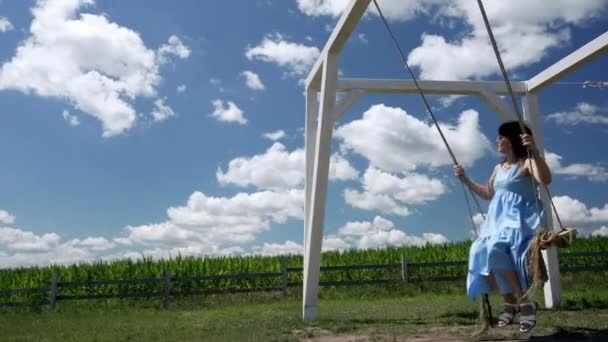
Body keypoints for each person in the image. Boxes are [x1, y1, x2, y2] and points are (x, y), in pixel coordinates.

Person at [454, 121, 552, 333]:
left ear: (514, 139)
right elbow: (489, 194)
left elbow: (546, 179)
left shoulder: (526, 163)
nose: (497, 141)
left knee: (496, 247)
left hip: (520, 220)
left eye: (501, 137)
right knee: (479, 251)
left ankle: (522, 302)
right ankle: (512, 300)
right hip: (496, 222)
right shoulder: (498, 168)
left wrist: (534, 151)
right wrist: (466, 180)